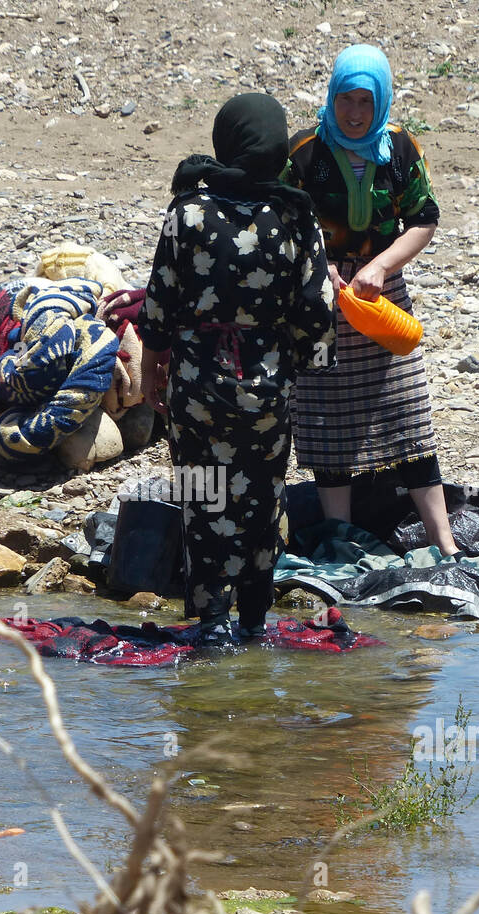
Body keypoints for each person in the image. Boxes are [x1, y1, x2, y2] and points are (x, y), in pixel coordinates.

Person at [137, 93, 336, 645]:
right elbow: (317, 308)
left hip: (197, 385)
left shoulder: (189, 212)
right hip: (267, 385)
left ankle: (210, 623)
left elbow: (159, 302)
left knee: (204, 497)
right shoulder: (295, 215)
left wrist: (152, 371)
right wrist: (304, 361)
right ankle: (252, 619)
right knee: (263, 500)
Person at [288, 44, 460, 557]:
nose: (355, 113)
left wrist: (381, 266)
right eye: (346, 100)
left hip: (382, 298)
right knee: (324, 418)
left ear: (381, 99)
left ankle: (443, 541)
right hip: (319, 302)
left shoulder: (402, 148)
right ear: (331, 96)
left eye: (366, 101)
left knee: (407, 415)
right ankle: (339, 540)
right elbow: (281, 224)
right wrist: (320, 269)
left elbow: (424, 219)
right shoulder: (304, 153)